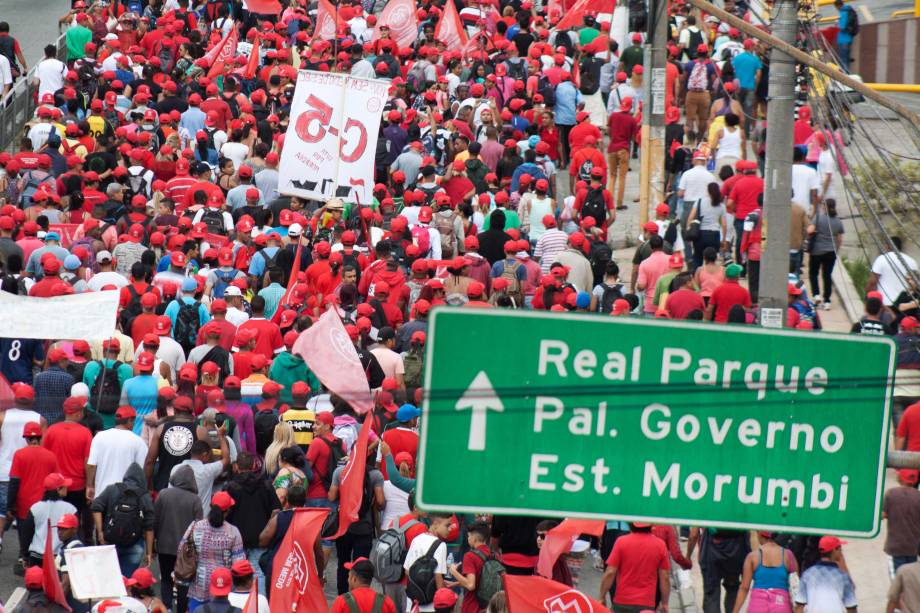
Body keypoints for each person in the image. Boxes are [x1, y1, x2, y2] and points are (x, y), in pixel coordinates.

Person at [177, 492, 245, 611]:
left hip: (198, 584)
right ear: (228, 510)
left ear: (210, 506)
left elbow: (181, 549)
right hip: (223, 585)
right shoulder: (233, 532)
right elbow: (239, 563)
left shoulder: (195, 526)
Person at [90, 462, 155, 576]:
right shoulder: (144, 496)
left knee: (108, 579)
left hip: (110, 542)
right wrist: (149, 553)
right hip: (134, 546)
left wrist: (100, 532)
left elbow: (96, 506)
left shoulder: (112, 489)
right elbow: (150, 526)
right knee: (126, 581)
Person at [154, 465, 202, 613]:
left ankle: (167, 607)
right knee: (183, 581)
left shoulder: (163, 494)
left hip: (164, 546)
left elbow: (155, 520)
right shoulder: (195, 500)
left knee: (166, 578)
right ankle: (181, 609)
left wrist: (153, 543)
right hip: (186, 551)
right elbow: (199, 527)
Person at [598, 522, 670, 612]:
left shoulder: (621, 542)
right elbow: (665, 577)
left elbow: (610, 572)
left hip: (622, 602)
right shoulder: (660, 545)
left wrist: (602, 596)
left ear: (630, 524)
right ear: (651, 525)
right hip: (646, 604)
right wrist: (665, 603)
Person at [86, 405, 148, 502]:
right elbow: (142, 471)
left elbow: (91, 465)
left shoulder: (99, 437)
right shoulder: (138, 442)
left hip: (102, 494)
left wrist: (90, 486)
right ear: (130, 420)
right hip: (126, 497)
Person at [731, 531, 798, 613]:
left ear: (760, 535)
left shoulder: (752, 557)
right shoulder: (788, 555)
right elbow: (796, 587)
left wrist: (735, 611)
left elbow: (744, 588)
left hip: (758, 606)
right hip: (781, 604)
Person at [794, 536, 857, 613]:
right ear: (834, 550)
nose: (841, 550)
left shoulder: (807, 574)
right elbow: (851, 608)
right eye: (839, 548)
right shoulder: (843, 576)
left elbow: (799, 607)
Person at [404, 512, 452, 612]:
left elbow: (407, 571)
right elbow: (438, 579)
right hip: (431, 605)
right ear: (435, 524)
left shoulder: (416, 539)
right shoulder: (441, 545)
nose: (450, 529)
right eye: (447, 525)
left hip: (413, 603)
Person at [883, 469, 920, 571]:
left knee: (897, 579)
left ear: (899, 478)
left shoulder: (891, 494)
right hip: (913, 548)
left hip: (895, 547)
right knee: (909, 579)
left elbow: (882, 515)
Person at [331, 557, 397, 613]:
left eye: (349, 576)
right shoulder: (387, 602)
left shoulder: (341, 602)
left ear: (354, 578)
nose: (348, 580)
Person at [868, 237, 918, 308]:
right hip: (905, 306)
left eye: (884, 245)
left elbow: (872, 283)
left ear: (889, 246)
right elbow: (915, 285)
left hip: (884, 305)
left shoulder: (882, 258)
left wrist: (869, 300)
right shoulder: (913, 262)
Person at [834, 0, 858, 72]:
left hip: (843, 40)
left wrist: (837, 24)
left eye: (836, 7)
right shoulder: (848, 10)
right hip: (848, 38)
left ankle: (845, 76)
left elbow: (842, 26)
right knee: (846, 59)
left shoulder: (843, 12)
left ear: (838, 6)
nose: (836, 8)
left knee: (844, 60)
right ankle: (846, 74)